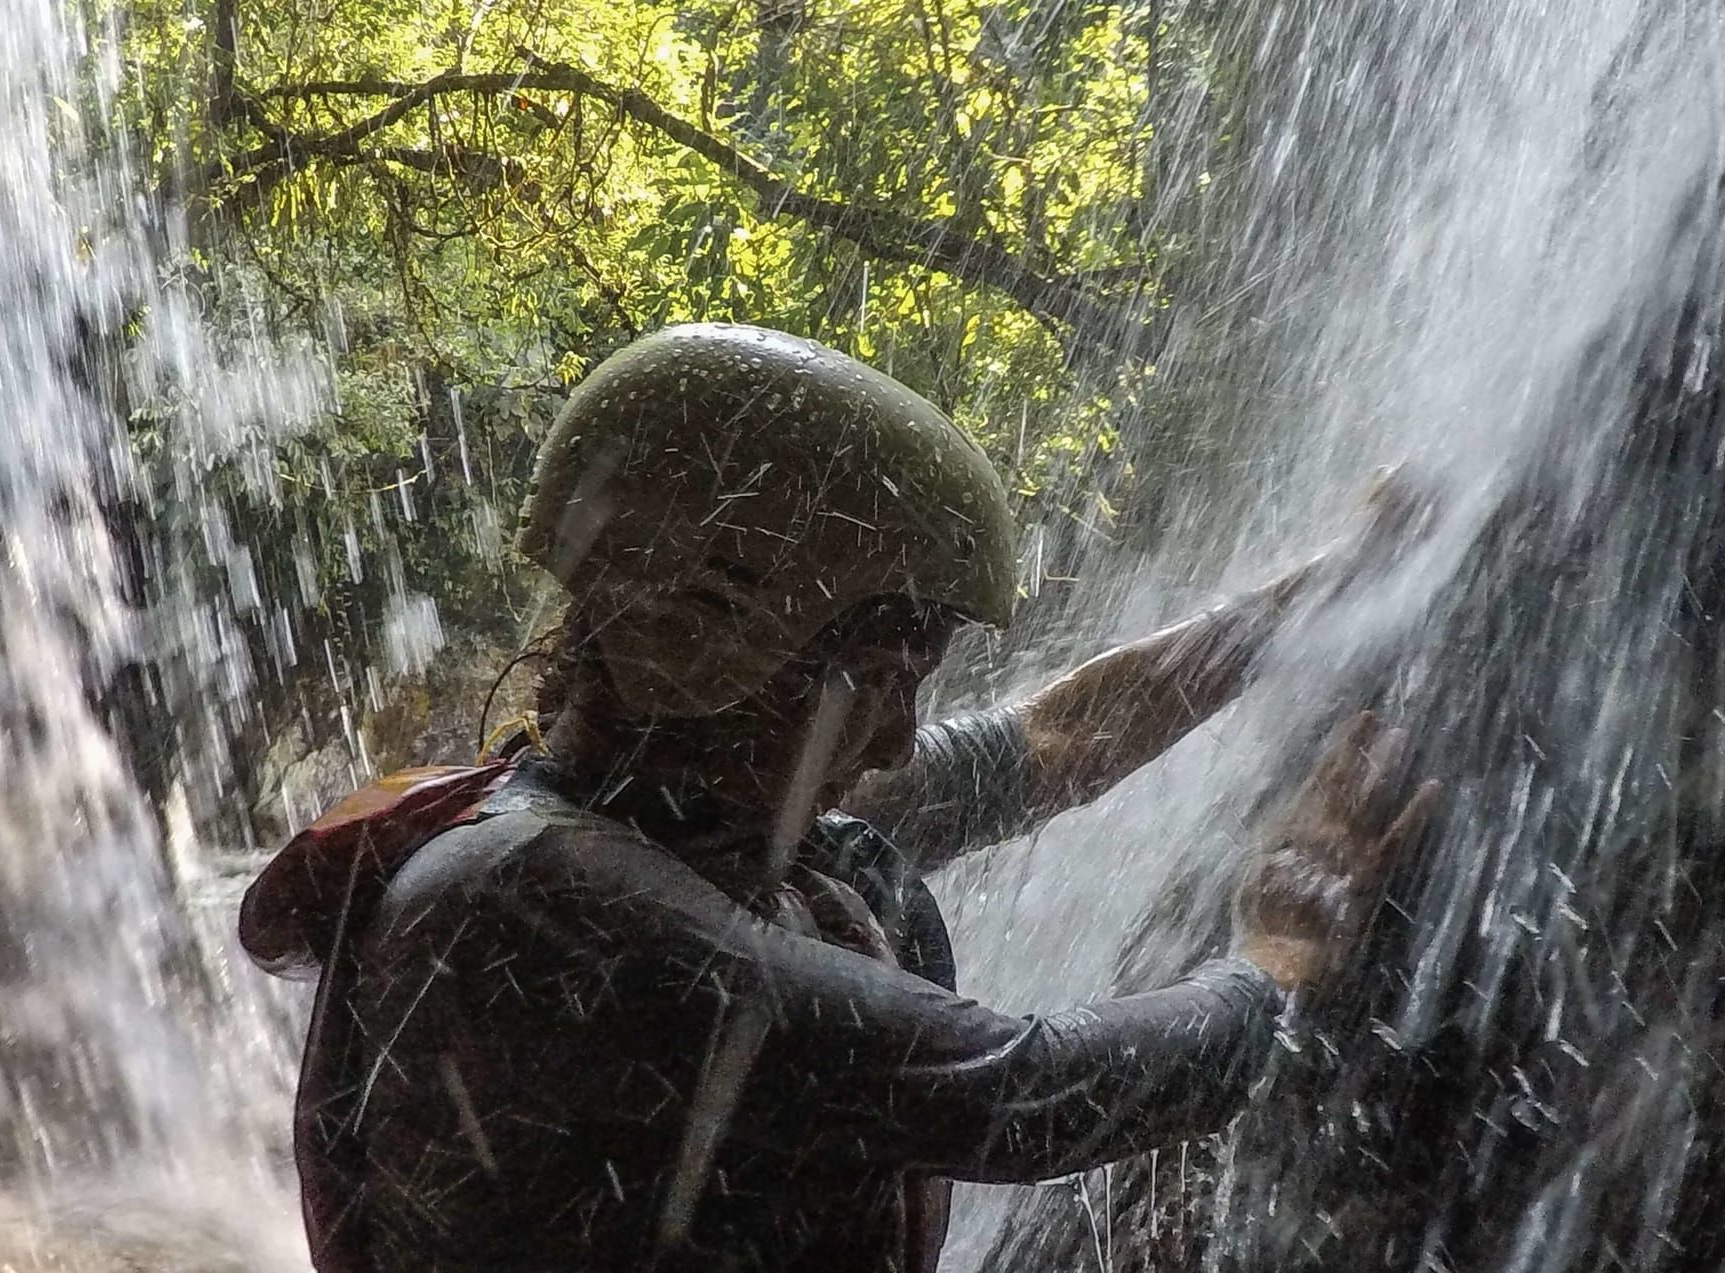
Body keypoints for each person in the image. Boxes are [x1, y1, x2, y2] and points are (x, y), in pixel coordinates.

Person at [238, 323, 1437, 1272]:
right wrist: (1275, 954)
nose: (902, 731)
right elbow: (1018, 1093)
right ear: (710, 633)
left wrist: (1327, 587)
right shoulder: (537, 902)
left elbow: (1058, 736)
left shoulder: (706, 810)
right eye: (878, 675)